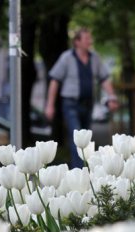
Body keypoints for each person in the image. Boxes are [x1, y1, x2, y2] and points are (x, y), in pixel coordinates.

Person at [45, 27, 119, 168]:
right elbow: (54, 80)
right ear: (77, 42)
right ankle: (79, 171)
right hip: (71, 103)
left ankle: (83, 169)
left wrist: (112, 97)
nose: (89, 41)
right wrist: (50, 105)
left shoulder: (94, 57)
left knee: (86, 140)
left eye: (90, 38)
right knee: (77, 137)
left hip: (88, 104)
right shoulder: (66, 57)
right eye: (86, 39)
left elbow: (104, 79)